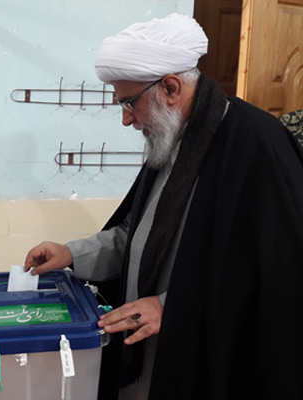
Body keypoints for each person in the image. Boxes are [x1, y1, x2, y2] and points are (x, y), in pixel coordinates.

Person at [24, 13, 303, 400]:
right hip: (148, 355)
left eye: (129, 102)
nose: (125, 119)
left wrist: (173, 307)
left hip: (206, 359)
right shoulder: (171, 139)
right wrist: (72, 253)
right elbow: (135, 236)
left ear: (170, 87)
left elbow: (278, 278)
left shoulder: (258, 146)